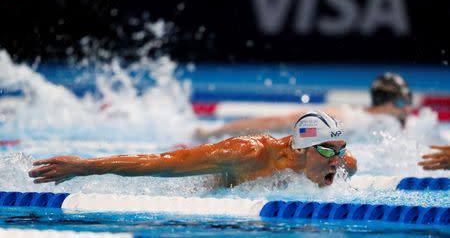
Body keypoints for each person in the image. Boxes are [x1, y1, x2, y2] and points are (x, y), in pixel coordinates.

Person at [29, 110, 357, 188]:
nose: (339, 162)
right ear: (300, 150)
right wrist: (85, 166)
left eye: (340, 150)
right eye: (328, 152)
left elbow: (346, 162)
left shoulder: (341, 163)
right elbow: (169, 161)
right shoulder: (247, 154)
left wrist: (339, 157)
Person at [195, 72, 413, 139]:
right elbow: (273, 122)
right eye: (403, 102)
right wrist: (213, 132)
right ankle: (214, 131)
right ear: (384, 102)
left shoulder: (395, 124)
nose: (407, 109)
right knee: (277, 124)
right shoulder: (346, 117)